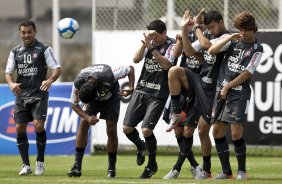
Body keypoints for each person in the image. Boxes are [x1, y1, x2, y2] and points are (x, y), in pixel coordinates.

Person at [166, 9, 231, 180]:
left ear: (221, 22)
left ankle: (210, 170)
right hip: (200, 83)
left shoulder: (228, 37)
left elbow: (207, 47)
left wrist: (197, 28)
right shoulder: (207, 34)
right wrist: (184, 30)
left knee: (202, 131)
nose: (211, 30)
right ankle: (177, 112)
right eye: (208, 27)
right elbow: (188, 52)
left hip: (215, 90)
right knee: (174, 71)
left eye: (213, 26)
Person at [208, 11, 263, 180]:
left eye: (246, 29)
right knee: (216, 132)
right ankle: (226, 171)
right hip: (221, 91)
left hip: (239, 93)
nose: (243, 33)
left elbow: (247, 73)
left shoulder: (257, 49)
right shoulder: (232, 40)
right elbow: (211, 50)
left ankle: (242, 171)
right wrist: (227, 39)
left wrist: (229, 86)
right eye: (240, 29)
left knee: (236, 133)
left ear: (252, 29)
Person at [5, 20, 62, 176]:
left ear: (34, 32)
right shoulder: (15, 52)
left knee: (38, 126)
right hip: (21, 95)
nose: (26, 35)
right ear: (20, 33)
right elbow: (8, 72)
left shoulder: (44, 49)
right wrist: (10, 84)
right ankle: (25, 165)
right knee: (19, 128)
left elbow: (57, 69)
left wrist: (50, 80)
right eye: (23, 32)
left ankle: (40, 162)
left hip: (39, 94)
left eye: (29, 32)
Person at [123, 20, 175, 179]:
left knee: (146, 130)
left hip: (158, 93)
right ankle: (140, 146)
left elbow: (166, 65)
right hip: (141, 90)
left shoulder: (172, 45)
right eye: (151, 34)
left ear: (164, 33)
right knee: (127, 128)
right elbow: (136, 59)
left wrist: (151, 47)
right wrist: (145, 43)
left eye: (156, 35)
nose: (154, 38)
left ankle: (152, 165)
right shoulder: (149, 43)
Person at [67, 64, 135, 178]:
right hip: (92, 101)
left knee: (111, 129)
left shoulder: (109, 74)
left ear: (96, 91)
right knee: (83, 124)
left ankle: (112, 169)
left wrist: (131, 86)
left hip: (111, 98)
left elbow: (130, 69)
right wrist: (87, 117)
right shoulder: (78, 82)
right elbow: (74, 105)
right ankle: (77, 167)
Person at [163, 12, 205, 180]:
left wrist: (191, 35)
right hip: (181, 90)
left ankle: (176, 169)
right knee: (179, 132)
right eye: (190, 23)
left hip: (197, 88)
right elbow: (175, 56)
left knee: (188, 131)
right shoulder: (184, 36)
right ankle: (195, 166)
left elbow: (201, 58)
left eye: (195, 23)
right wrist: (182, 36)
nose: (193, 25)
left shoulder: (204, 39)